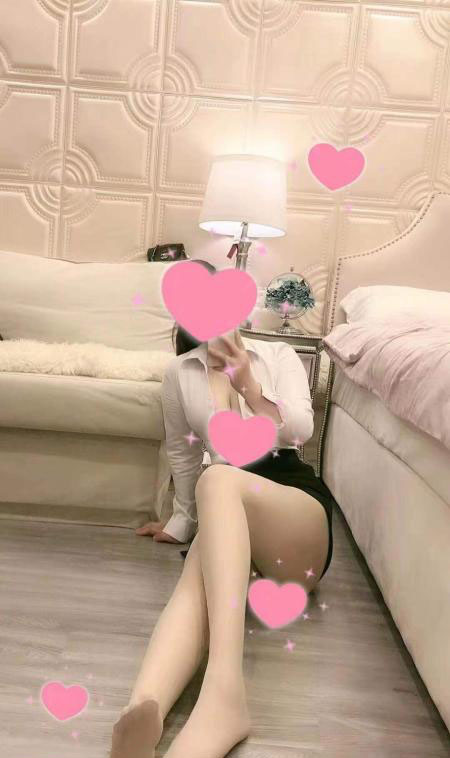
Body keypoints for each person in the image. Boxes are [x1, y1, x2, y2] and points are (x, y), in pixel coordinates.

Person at [110, 259, 334, 758]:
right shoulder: (180, 372)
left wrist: (247, 383)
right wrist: (180, 523)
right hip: (226, 511)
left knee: (219, 479)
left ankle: (224, 691)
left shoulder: (276, 355)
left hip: (293, 513)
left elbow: (300, 431)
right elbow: (183, 455)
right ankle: (144, 705)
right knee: (198, 567)